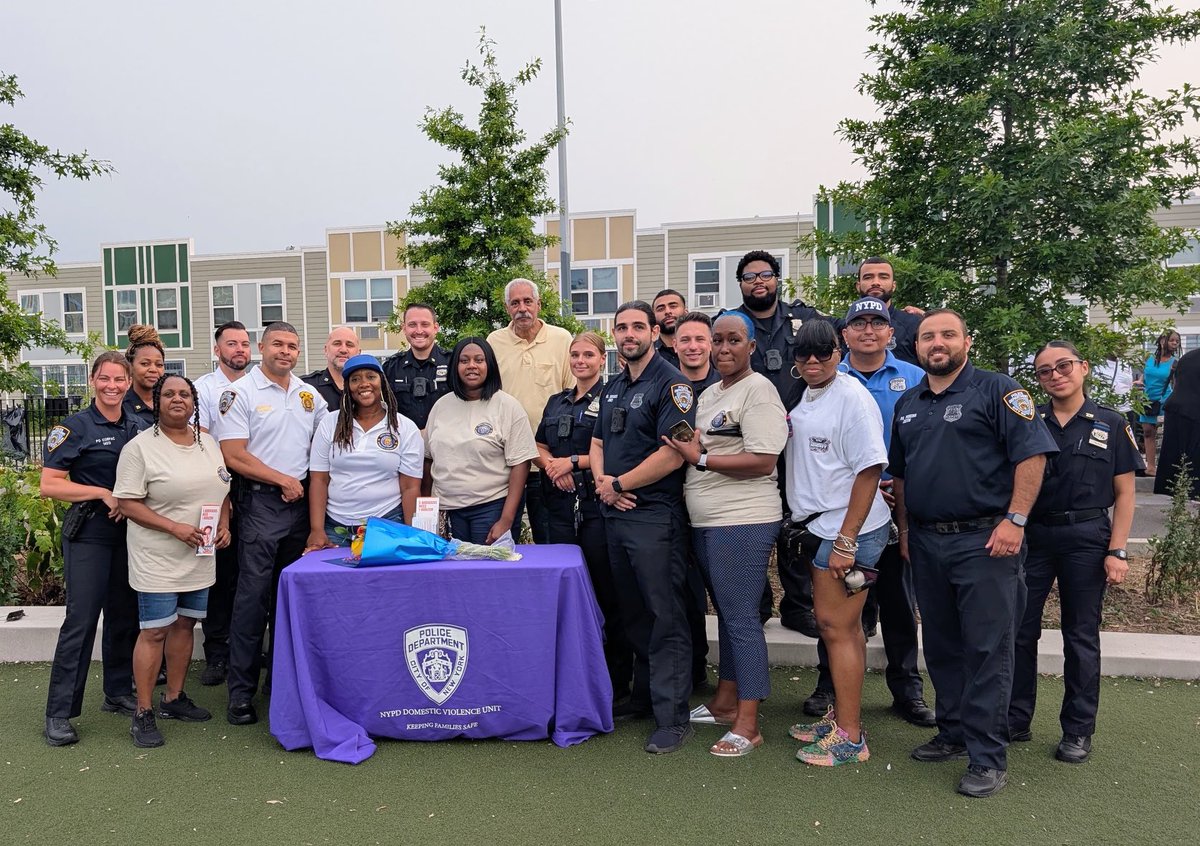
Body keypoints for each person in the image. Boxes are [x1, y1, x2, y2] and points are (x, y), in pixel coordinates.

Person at [890, 309, 1058, 798]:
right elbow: (900, 475)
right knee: (942, 645)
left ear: (967, 342)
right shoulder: (909, 402)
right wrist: (905, 530)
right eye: (928, 337)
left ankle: (987, 757)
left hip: (986, 541)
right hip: (926, 541)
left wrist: (1016, 520)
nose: (936, 343)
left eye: (948, 334)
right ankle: (954, 732)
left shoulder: (998, 390)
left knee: (987, 650)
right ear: (917, 347)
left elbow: (1032, 455)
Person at [802, 297, 934, 727]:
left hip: (890, 505)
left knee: (895, 605)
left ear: (891, 332)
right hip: (848, 512)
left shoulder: (913, 377)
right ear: (845, 335)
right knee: (841, 617)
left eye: (878, 322)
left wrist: (901, 490)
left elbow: (921, 443)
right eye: (859, 322)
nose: (868, 329)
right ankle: (832, 695)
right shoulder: (824, 377)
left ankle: (902, 694)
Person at [1009, 341, 1142, 764]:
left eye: (1063, 366)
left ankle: (1078, 730)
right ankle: (1015, 719)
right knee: (1019, 630)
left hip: (1086, 536)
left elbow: (1125, 493)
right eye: (1044, 371)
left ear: (1083, 367)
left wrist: (1117, 550)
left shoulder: (1111, 422)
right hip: (1034, 535)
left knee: (1080, 635)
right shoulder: (1030, 420)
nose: (1055, 375)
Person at [664, 311, 787, 757]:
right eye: (718, 340)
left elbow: (762, 460)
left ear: (752, 346)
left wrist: (699, 458)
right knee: (731, 616)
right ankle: (725, 702)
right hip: (709, 521)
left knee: (740, 620)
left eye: (734, 340)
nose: (723, 348)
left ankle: (748, 725)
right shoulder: (714, 392)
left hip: (742, 520)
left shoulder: (759, 390)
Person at [781, 319, 891, 767]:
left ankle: (850, 738)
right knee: (842, 629)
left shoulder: (852, 397)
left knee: (837, 629)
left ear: (838, 352)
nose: (812, 361)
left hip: (848, 530)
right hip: (822, 527)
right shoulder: (807, 394)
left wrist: (847, 540)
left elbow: (870, 469)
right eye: (803, 353)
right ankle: (841, 719)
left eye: (822, 352)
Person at [590, 300, 696, 755]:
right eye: (621, 327)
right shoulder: (614, 385)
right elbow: (597, 442)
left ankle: (673, 718)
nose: (628, 334)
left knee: (664, 615)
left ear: (654, 332)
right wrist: (604, 485)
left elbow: (674, 453)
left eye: (637, 326)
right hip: (615, 513)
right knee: (632, 611)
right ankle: (643, 697)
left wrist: (619, 484)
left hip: (654, 517)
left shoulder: (672, 384)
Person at [219, 321, 329, 725]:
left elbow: (329, 438)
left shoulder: (308, 394)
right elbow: (233, 454)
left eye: (292, 346)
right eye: (278, 344)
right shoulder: (240, 393)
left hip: (299, 507)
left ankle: (280, 685)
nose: (285, 351)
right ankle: (241, 694)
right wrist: (281, 480)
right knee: (252, 600)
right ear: (261, 347)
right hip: (260, 503)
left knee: (290, 600)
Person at [113, 374, 233, 747]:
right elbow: (127, 503)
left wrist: (225, 524)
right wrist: (173, 528)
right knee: (154, 631)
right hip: (158, 559)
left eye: (184, 394)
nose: (177, 399)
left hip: (199, 554)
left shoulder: (208, 443)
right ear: (157, 402)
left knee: (185, 625)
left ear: (194, 402)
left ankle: (174, 698)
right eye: (169, 394)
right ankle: (143, 712)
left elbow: (223, 489)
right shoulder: (140, 448)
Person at [729, 249, 837, 637]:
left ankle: (798, 606)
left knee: (797, 521)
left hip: (799, 442)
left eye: (765, 274)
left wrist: (904, 321)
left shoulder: (804, 319)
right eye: (749, 277)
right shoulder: (732, 324)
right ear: (740, 284)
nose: (758, 282)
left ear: (777, 279)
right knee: (751, 523)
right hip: (749, 443)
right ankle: (757, 606)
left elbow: (849, 331)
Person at [39, 351, 143, 746]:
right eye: (105, 378)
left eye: (119, 379)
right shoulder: (75, 427)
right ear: (92, 380)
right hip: (90, 533)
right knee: (81, 621)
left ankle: (117, 691)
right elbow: (50, 484)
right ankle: (59, 712)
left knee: (124, 615)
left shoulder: (138, 425)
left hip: (130, 534)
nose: (112, 386)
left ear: (128, 383)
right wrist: (101, 492)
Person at [535, 332, 632, 698]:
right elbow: (539, 444)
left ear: (601, 359)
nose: (580, 361)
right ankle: (570, 676)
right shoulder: (556, 401)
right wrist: (552, 467)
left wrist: (572, 463)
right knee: (564, 594)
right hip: (558, 509)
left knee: (605, 593)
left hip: (596, 509)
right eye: (575, 355)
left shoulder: (613, 398)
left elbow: (618, 449)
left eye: (588, 355)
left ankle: (615, 681)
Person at [424, 337, 538, 544]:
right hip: (446, 510)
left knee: (486, 565)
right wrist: (425, 511)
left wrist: (506, 519)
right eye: (464, 360)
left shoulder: (508, 406)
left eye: (479, 360)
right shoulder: (441, 406)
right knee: (451, 565)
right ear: (455, 366)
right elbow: (427, 459)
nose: (471, 366)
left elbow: (521, 464)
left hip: (491, 508)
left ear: (490, 365)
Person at [487, 278, 574, 543]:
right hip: (505, 462)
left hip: (549, 461)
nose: (522, 308)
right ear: (507, 308)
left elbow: (571, 396)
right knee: (504, 541)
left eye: (528, 301)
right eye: (515, 303)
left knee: (549, 540)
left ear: (539, 304)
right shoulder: (494, 342)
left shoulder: (561, 339)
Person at [306, 354, 423, 549]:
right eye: (355, 379)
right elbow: (319, 480)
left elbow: (410, 487)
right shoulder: (330, 423)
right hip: (336, 527)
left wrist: (412, 536)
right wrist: (316, 529)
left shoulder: (404, 427)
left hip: (387, 523)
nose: (364, 384)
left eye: (371, 377)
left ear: (382, 382)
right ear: (347, 387)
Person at [193, 320, 253, 687]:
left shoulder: (258, 385)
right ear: (217, 350)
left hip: (256, 487)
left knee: (250, 574)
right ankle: (217, 652)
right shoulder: (203, 389)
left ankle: (247, 649)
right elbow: (201, 442)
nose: (240, 349)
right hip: (218, 487)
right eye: (232, 344)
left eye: (245, 343)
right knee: (220, 575)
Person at [668, 311, 718, 690]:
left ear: (711, 344)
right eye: (685, 339)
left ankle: (738, 680)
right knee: (685, 591)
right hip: (674, 501)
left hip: (721, 504)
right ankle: (694, 667)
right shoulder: (666, 387)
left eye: (700, 339)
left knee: (728, 594)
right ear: (674, 345)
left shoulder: (728, 386)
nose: (693, 346)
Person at [382, 302, 451, 430]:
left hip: (445, 439)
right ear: (404, 328)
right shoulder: (391, 368)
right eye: (412, 325)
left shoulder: (452, 364)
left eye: (425, 324)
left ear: (435, 328)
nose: (419, 331)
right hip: (404, 440)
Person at [854, 257, 922, 366]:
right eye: (868, 277)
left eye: (883, 277)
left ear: (893, 285)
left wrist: (930, 320)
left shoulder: (914, 324)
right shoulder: (844, 326)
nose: (876, 282)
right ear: (858, 286)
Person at [1155, 348, 1200, 496]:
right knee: (1193, 454)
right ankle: (1192, 491)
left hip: (1175, 406)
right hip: (1194, 409)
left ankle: (1169, 488)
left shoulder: (1188, 356)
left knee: (1172, 450)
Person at [1139, 330, 1180, 476]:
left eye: (1177, 341)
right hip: (1147, 399)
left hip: (1165, 400)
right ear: (1163, 341)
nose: (1175, 343)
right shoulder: (1149, 358)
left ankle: (1167, 466)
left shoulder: (1175, 362)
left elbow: (1177, 383)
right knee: (1148, 432)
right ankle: (1151, 467)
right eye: (1172, 340)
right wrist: (1140, 381)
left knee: (1167, 434)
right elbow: (1145, 373)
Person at [302, 326, 362, 411]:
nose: (343, 350)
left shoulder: (370, 388)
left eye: (349, 345)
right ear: (326, 350)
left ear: (359, 353)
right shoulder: (306, 386)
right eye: (337, 344)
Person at [123, 324, 165, 426]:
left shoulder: (170, 402)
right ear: (130, 366)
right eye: (145, 364)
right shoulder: (120, 407)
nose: (153, 370)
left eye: (159, 365)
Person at [651, 289, 688, 368]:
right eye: (660, 309)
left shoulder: (702, 349)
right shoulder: (648, 354)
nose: (667, 311)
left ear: (686, 312)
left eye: (673, 306)